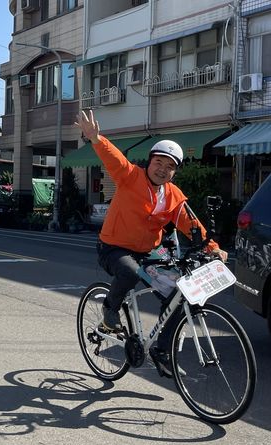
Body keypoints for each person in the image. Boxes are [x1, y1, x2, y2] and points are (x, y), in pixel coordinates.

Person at [75, 110, 228, 377]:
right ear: (149, 162)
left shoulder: (172, 195)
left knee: (180, 295)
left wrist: (212, 247)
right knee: (129, 272)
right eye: (159, 162)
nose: (164, 169)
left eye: (170, 167)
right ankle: (110, 311)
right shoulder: (130, 176)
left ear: (174, 173)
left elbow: (190, 224)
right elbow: (114, 159)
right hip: (114, 248)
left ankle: (162, 350)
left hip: (149, 253)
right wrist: (95, 139)